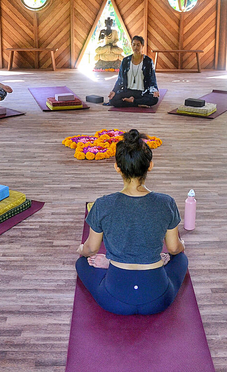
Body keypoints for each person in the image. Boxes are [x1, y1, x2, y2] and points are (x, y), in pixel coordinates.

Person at [75, 129, 188, 315]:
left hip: (114, 299)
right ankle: (148, 262)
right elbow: (174, 248)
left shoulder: (102, 204)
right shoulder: (166, 202)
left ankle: (111, 263)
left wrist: (81, 251)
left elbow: (91, 250)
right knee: (181, 258)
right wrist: (179, 246)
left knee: (81, 263)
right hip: (158, 298)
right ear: (150, 165)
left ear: (117, 167)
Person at [108, 36, 160, 108]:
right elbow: (120, 78)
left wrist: (154, 90)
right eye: (134, 45)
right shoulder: (125, 61)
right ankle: (137, 102)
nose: (136, 47)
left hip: (142, 92)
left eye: (138, 45)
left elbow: (152, 78)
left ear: (142, 46)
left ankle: (132, 101)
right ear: (131, 45)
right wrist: (114, 91)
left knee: (154, 99)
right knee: (112, 100)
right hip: (128, 91)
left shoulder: (148, 61)